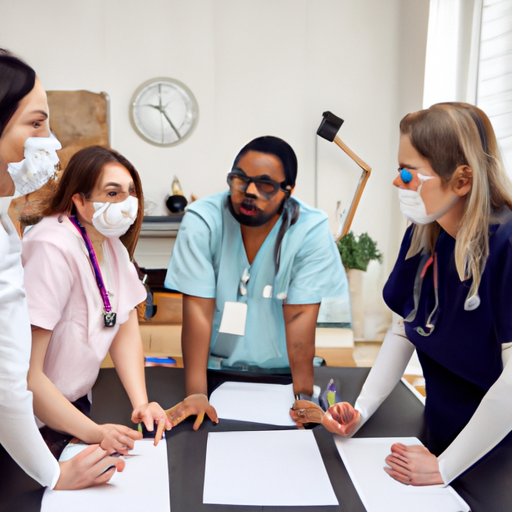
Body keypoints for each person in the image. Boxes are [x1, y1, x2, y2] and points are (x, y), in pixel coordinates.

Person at [292, 102, 512, 488]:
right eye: (399, 171)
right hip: (441, 433)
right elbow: (404, 329)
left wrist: (445, 468)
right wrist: (359, 411)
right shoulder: (426, 233)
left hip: (497, 448)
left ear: (461, 181)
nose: (397, 183)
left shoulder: (506, 245)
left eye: (409, 174)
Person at [0, 48, 124, 489]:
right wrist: (54, 474)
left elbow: (123, 316)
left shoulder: (7, 222)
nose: (50, 142)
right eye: (36, 124)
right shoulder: (47, 242)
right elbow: (10, 377)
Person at [164, 135, 348, 429]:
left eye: (265, 185)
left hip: (283, 372)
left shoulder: (310, 229)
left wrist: (303, 395)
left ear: (289, 190)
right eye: (239, 180)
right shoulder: (203, 220)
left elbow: (300, 316)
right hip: (215, 370)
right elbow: (198, 310)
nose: (249, 192)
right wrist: (197, 393)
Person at [23, 145, 172, 455]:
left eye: (131, 192)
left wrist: (141, 403)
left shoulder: (110, 243)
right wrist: (94, 433)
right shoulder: (51, 246)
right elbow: (28, 375)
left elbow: (123, 325)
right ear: (79, 199)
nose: (128, 204)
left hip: (72, 408)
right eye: (112, 193)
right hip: (29, 416)